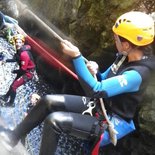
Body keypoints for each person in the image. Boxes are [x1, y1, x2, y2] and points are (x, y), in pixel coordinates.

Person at [0, 11, 155, 155]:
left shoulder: (138, 74)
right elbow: (103, 81)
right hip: (101, 106)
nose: (115, 42)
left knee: (55, 122)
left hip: (111, 122)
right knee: (47, 101)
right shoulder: (124, 56)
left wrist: (77, 57)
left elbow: (96, 90)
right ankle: (12, 137)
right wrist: (96, 72)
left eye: (116, 39)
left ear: (127, 45)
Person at [0, 33, 36, 107]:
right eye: (16, 42)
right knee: (12, 84)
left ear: (22, 43)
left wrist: (14, 71)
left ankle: (11, 103)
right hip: (24, 71)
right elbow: (15, 59)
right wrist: (5, 60)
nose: (17, 44)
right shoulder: (19, 51)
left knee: (14, 86)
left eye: (20, 42)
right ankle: (6, 97)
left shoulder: (24, 54)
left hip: (27, 73)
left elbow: (23, 69)